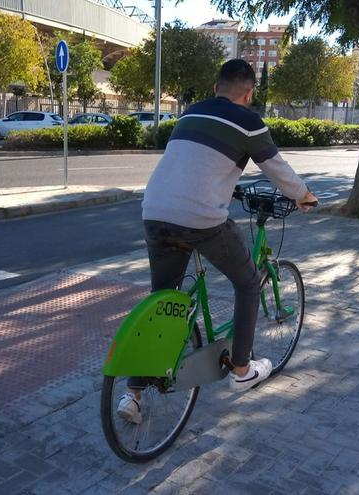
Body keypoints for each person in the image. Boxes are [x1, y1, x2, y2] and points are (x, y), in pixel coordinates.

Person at [117, 59, 318, 424]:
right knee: (248, 282)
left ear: (215, 88)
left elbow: (196, 165)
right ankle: (241, 370)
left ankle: (132, 394)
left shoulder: (190, 114)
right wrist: (304, 195)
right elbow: (279, 171)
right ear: (249, 92)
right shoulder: (250, 122)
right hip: (200, 220)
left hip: (155, 212)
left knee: (163, 302)